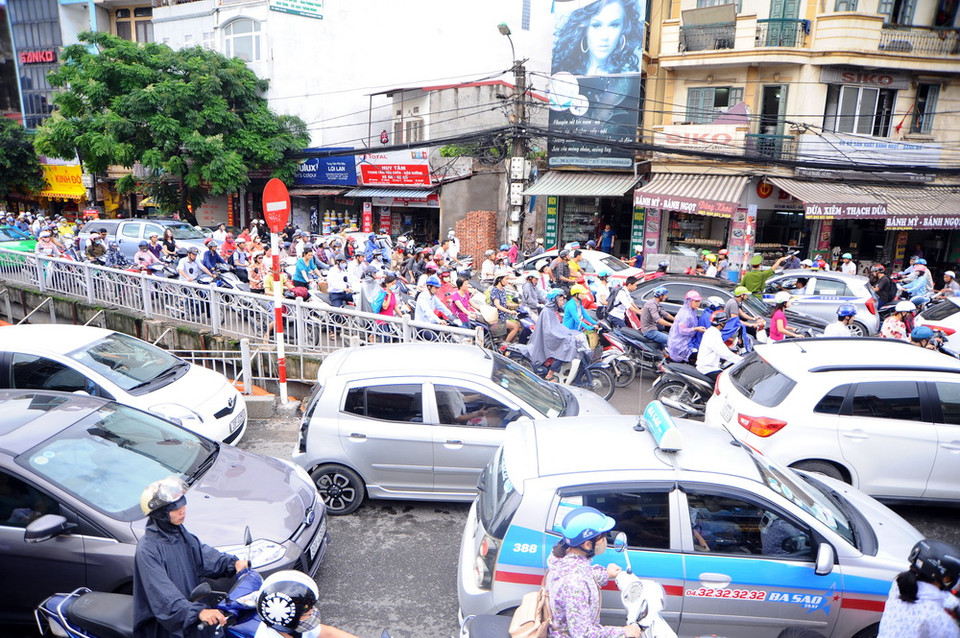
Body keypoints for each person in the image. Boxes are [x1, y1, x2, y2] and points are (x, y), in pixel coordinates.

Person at [133, 476, 249, 638]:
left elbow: (205, 556)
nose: (183, 510)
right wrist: (197, 612)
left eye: (183, 505)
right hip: (169, 626)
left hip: (193, 613)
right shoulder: (148, 549)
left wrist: (233, 563)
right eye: (175, 509)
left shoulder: (179, 533)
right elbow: (163, 595)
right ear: (160, 514)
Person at [545, 506, 642, 638]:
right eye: (602, 537)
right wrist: (624, 631)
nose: (605, 541)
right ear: (587, 545)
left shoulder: (561, 560)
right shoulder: (575, 584)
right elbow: (583, 634)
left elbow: (582, 572)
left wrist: (606, 574)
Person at [877, 539, 960, 638]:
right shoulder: (940, 620)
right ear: (946, 578)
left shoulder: (898, 586)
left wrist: (955, 603)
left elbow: (930, 595)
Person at [254, 570, 360, 638]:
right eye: (306, 610)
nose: (312, 611)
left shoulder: (290, 629)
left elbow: (328, 633)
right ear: (289, 618)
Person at [551, 0, 644, 76]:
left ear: (624, 28)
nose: (604, 36)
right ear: (584, 28)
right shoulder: (563, 73)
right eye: (596, 25)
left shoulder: (628, 77)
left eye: (614, 25)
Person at [696, 311, 743, 381]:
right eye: (725, 323)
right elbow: (724, 353)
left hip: (710, 365)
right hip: (708, 368)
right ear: (721, 323)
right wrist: (741, 360)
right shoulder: (713, 335)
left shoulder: (712, 332)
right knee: (728, 381)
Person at [665, 290, 705, 362]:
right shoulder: (685, 314)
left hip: (687, 341)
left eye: (699, 301)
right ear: (689, 301)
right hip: (680, 345)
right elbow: (682, 330)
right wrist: (695, 329)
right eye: (696, 301)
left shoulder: (691, 311)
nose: (698, 303)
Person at [490, 274, 521, 345]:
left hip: (504, 316)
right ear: (500, 280)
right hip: (498, 317)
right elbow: (497, 305)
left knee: (518, 326)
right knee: (515, 327)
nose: (507, 281)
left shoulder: (503, 290)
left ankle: (511, 343)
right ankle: (504, 345)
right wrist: (510, 311)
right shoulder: (495, 290)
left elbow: (506, 302)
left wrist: (518, 305)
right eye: (506, 279)